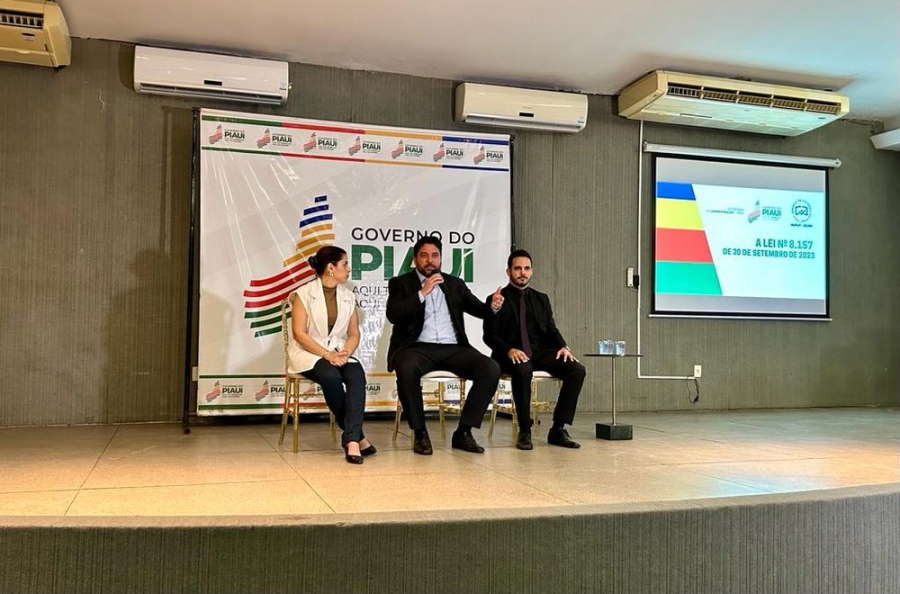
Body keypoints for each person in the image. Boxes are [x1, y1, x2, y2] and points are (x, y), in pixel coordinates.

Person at [386, 236, 504, 455]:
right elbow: (393, 314)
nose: (430, 260)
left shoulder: (455, 284)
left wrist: (493, 306)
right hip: (417, 347)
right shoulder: (400, 283)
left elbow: (479, 310)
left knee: (490, 368)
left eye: (435, 255)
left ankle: (464, 432)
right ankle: (420, 433)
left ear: (440, 258)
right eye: (424, 255)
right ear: (415, 259)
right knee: (406, 368)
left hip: (453, 348)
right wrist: (422, 292)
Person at [483, 249, 586, 450]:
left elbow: (551, 329)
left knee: (577, 369)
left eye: (526, 268)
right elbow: (489, 336)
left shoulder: (541, 299)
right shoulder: (496, 298)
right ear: (509, 272)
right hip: (509, 355)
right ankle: (524, 430)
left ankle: (558, 429)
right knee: (523, 369)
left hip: (538, 352)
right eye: (517, 268)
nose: (522, 272)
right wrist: (509, 350)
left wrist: (562, 346)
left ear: (532, 271)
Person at [288, 246, 375, 464]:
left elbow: (354, 333)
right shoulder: (304, 294)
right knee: (331, 376)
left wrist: (346, 352)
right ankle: (356, 437)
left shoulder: (347, 296)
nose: (349, 269)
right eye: (345, 264)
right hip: (309, 352)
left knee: (356, 373)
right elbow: (299, 334)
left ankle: (351, 439)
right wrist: (327, 355)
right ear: (331, 267)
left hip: (338, 350)